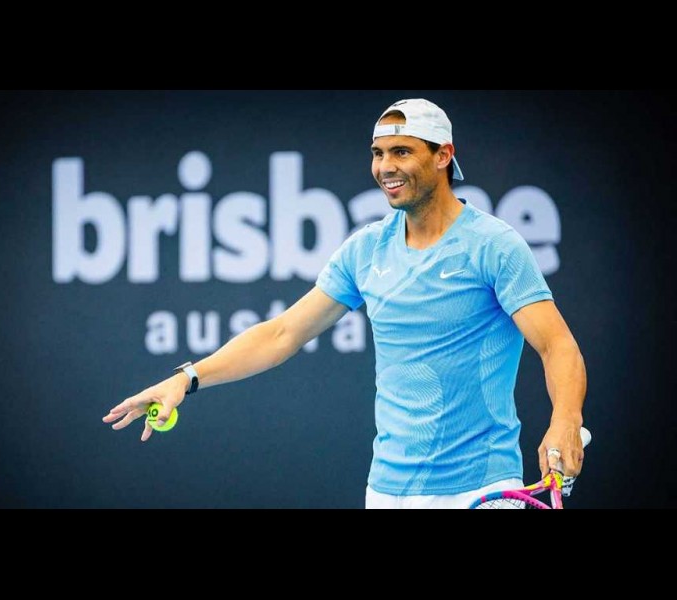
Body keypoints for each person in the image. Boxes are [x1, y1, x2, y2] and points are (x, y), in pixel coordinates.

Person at [103, 98, 587, 509]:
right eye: (378, 153)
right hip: (387, 493)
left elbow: (557, 346)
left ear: (443, 155)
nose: (385, 167)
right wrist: (185, 379)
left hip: (480, 487)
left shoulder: (494, 246)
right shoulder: (366, 249)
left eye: (402, 151)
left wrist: (566, 420)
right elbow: (281, 334)